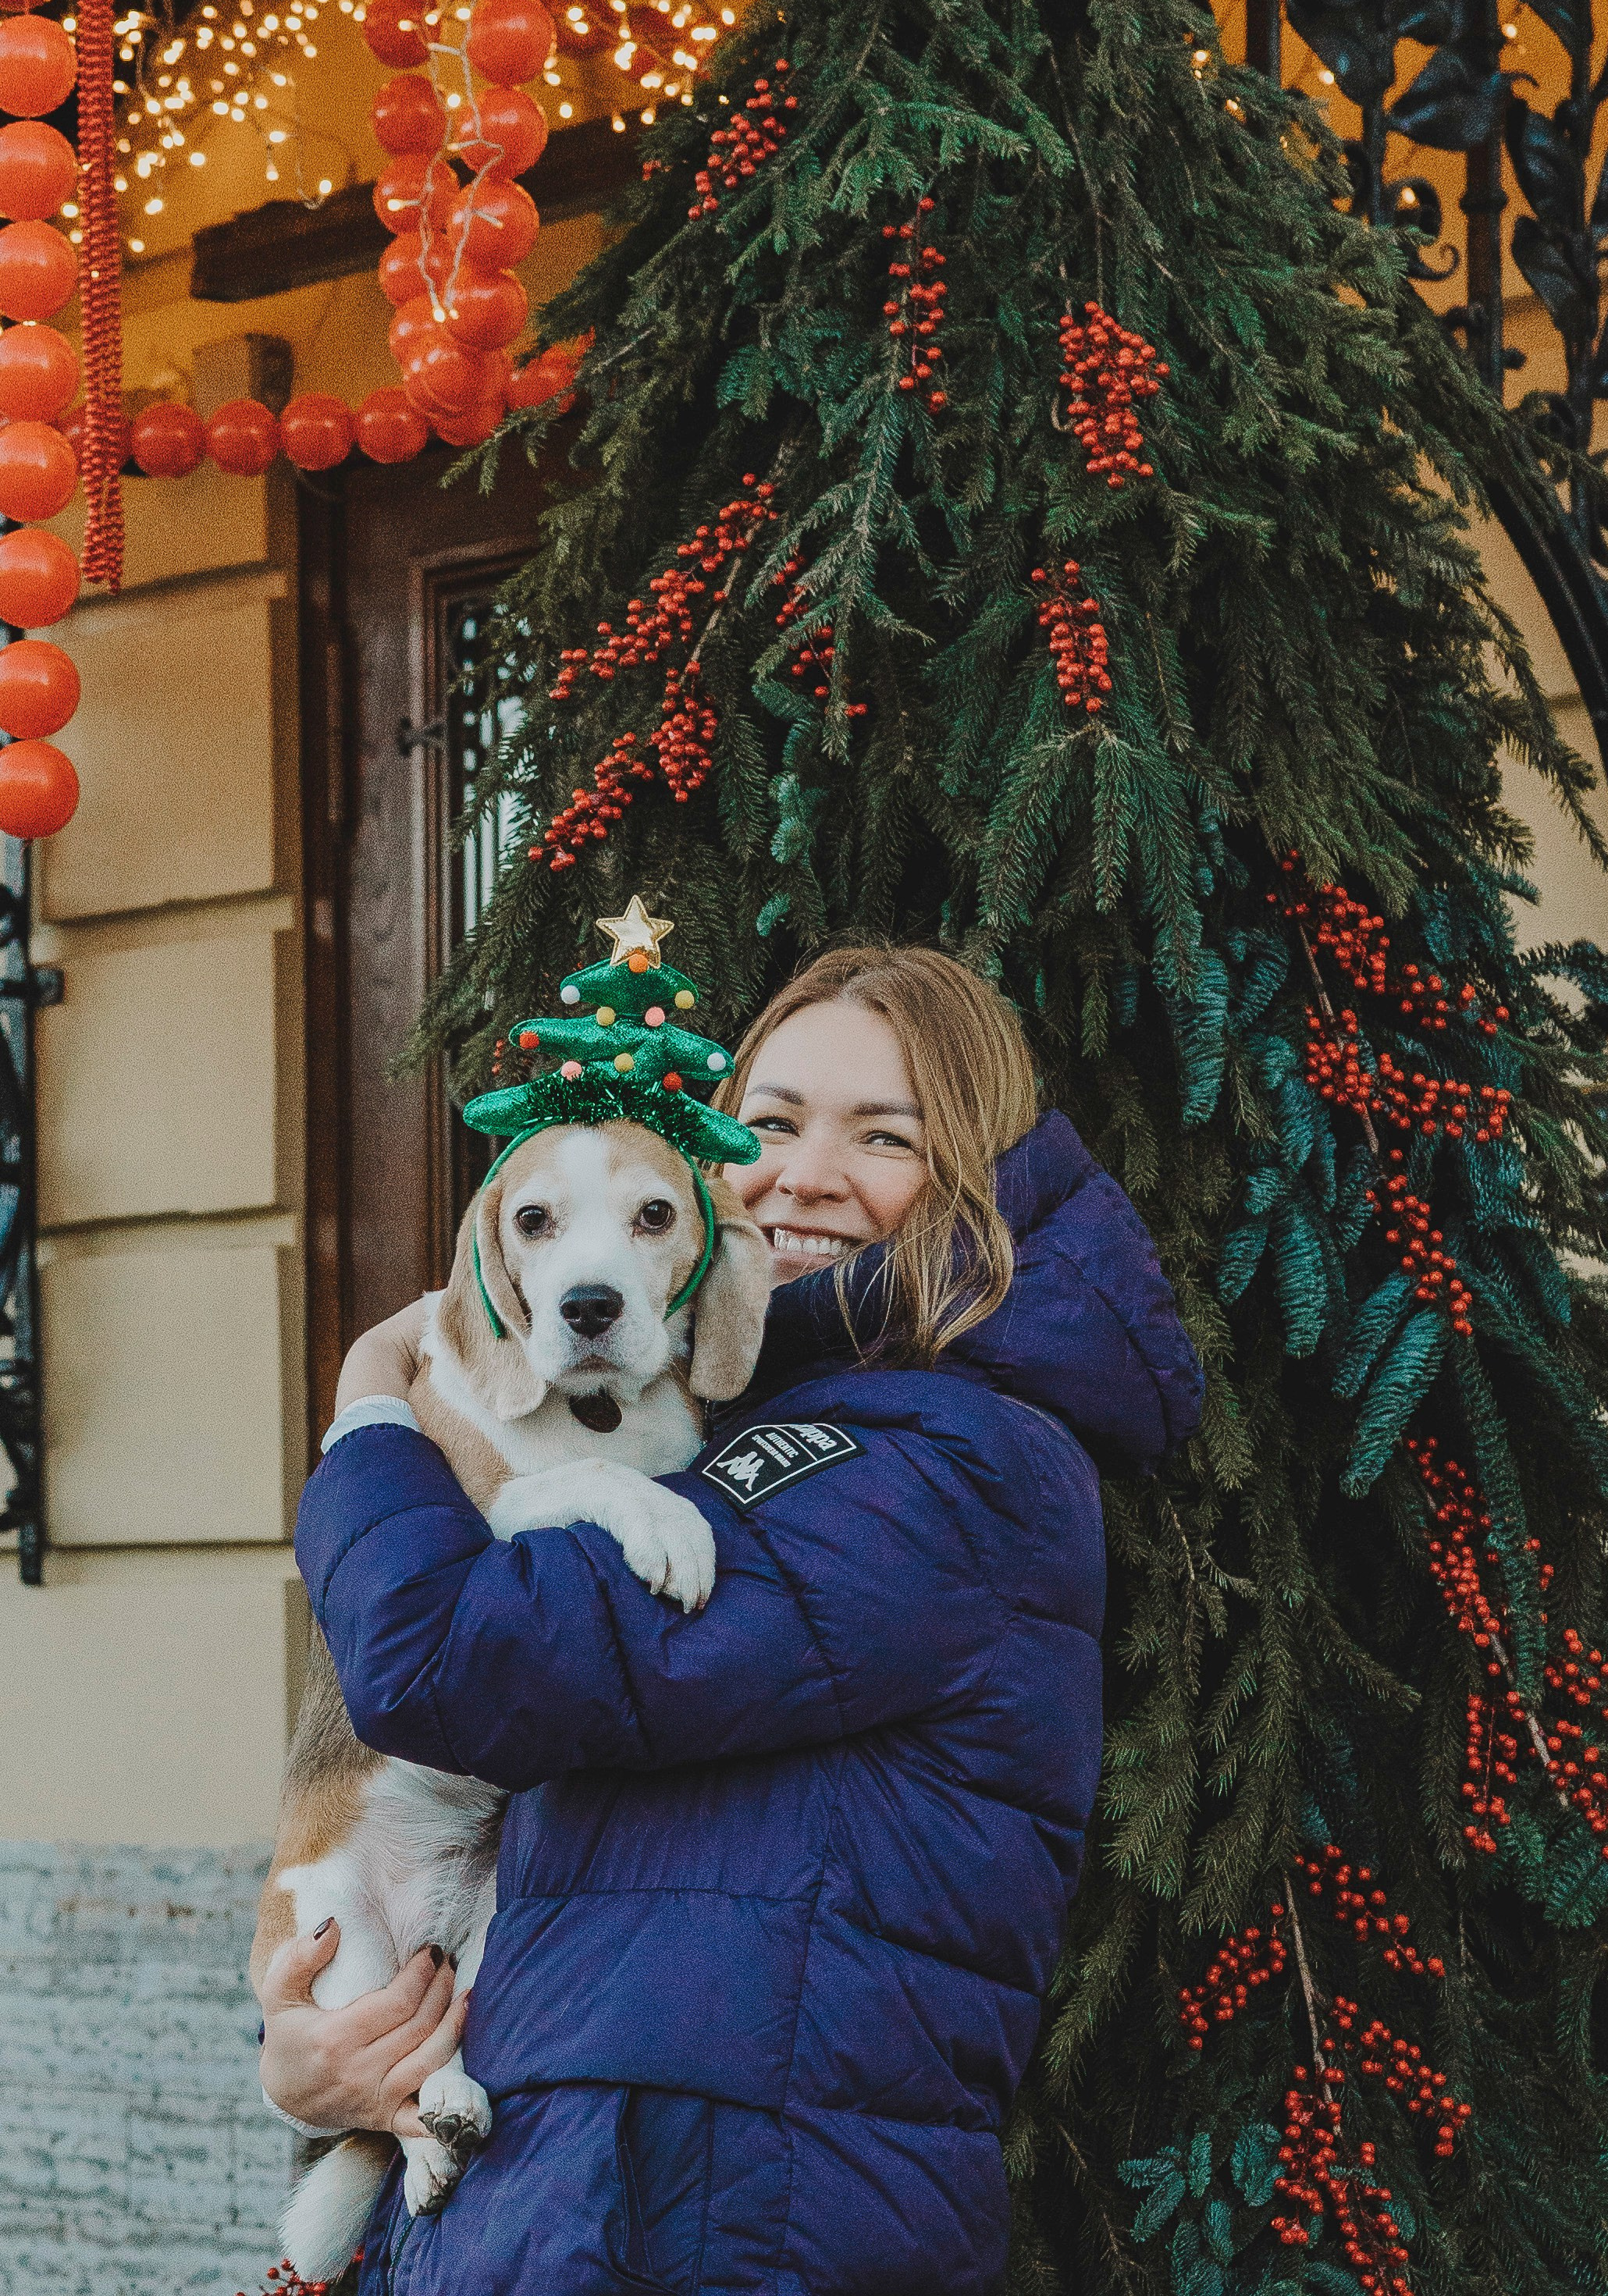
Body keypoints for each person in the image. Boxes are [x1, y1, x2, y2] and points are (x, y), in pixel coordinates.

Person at [259, 943, 1203, 2295]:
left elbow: (444, 1663)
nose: (806, 1174)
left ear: (974, 1172)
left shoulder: (950, 1462)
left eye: (884, 1135)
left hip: (728, 2227)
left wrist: (367, 1407)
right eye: (768, 1126)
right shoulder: (743, 1428)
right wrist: (323, 2073)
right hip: (583, 2197)